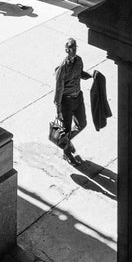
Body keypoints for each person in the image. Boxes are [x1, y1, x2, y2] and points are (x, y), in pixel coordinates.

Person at [54, 38, 92, 166]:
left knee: (82, 123)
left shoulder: (79, 60)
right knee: (66, 129)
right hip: (67, 102)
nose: (74, 50)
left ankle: (66, 141)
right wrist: (58, 110)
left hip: (78, 98)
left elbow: (80, 73)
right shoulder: (62, 68)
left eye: (75, 48)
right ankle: (67, 153)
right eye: (71, 48)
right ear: (66, 50)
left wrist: (91, 76)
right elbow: (59, 89)